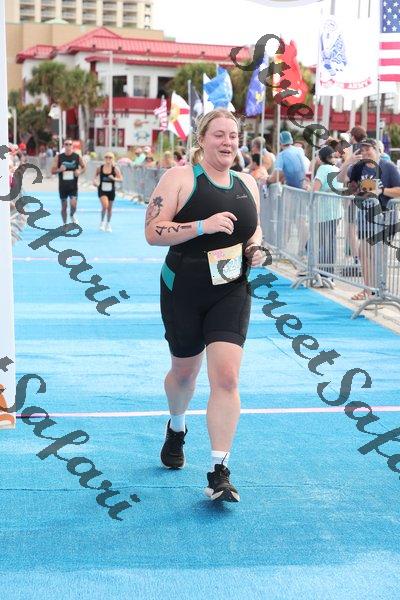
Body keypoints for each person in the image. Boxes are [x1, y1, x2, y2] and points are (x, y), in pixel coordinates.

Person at [145, 108, 264, 503]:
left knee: (227, 378)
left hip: (231, 289)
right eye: (219, 135)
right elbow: (152, 231)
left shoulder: (247, 183)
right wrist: (202, 226)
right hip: (183, 289)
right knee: (184, 374)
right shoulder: (179, 178)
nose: (228, 142)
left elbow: (253, 230)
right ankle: (177, 427)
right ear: (202, 139)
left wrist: (256, 248)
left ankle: (219, 470)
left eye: (233, 135)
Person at [338, 138, 400, 300]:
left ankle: (378, 290)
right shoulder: (358, 168)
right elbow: (341, 179)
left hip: (385, 219)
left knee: (376, 254)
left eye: (368, 149)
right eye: (362, 150)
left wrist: (382, 191)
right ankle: (370, 290)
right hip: (365, 218)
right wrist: (348, 162)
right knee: (364, 252)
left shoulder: (388, 167)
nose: (365, 152)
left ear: (377, 150)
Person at [313, 146, 343, 282]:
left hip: (325, 211)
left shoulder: (323, 169)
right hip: (336, 210)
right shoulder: (336, 169)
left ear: (321, 157)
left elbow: (315, 189)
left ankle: (324, 272)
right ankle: (329, 273)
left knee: (324, 242)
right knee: (330, 241)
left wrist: (308, 189)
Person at [51, 138, 85, 226]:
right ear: (63, 145)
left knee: (73, 205)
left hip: (73, 186)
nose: (68, 146)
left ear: (72, 146)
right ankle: (65, 224)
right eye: (66, 144)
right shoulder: (59, 157)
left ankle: (72, 215)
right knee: (64, 206)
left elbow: (84, 167)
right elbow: (52, 171)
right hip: (63, 186)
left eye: (70, 144)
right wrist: (60, 170)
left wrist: (79, 172)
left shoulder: (77, 156)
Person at [92, 152, 123, 232]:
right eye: (106, 157)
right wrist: (95, 182)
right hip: (102, 190)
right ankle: (102, 222)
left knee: (109, 208)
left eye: (110, 157)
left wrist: (114, 178)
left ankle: (108, 224)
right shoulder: (100, 168)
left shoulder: (115, 168)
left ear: (113, 159)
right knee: (105, 205)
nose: (108, 159)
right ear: (104, 158)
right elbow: (95, 177)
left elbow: (121, 179)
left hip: (111, 190)